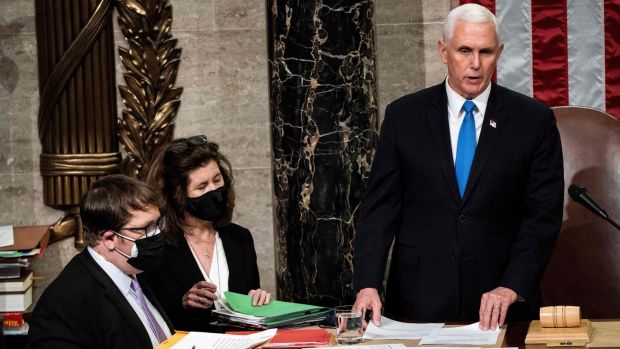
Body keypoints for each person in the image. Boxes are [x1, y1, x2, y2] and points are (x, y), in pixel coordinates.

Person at [352, 3, 564, 331]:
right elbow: (378, 211)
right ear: (443, 51)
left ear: (500, 52)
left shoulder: (533, 122)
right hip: (417, 304)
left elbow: (542, 218)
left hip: (500, 306)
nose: (475, 64)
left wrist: (512, 285)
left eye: (486, 52)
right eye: (464, 50)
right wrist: (367, 284)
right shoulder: (404, 117)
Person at [29, 174, 173, 349]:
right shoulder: (63, 306)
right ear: (109, 239)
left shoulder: (134, 267)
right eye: (145, 228)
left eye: (157, 224)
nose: (157, 234)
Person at [143, 135, 271, 332]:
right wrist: (183, 304)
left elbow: (249, 311)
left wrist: (257, 301)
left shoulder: (240, 238)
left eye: (217, 180)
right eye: (202, 186)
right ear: (178, 196)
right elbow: (148, 320)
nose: (214, 190)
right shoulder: (157, 247)